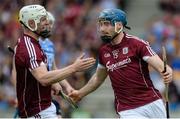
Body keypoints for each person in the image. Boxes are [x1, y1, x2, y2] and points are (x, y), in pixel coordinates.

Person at [69, 8, 173, 118]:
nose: (102, 29)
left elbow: (163, 67)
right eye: (101, 25)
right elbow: (97, 79)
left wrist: (168, 73)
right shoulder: (104, 52)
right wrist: (80, 93)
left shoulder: (137, 44)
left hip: (151, 102)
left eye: (106, 24)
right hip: (127, 109)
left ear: (119, 25)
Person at [14, 4, 95, 118]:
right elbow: (43, 78)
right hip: (37, 111)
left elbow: (44, 73)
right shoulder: (29, 47)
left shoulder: (35, 44)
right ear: (31, 24)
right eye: (43, 20)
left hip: (45, 107)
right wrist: (74, 68)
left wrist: (54, 83)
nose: (47, 22)